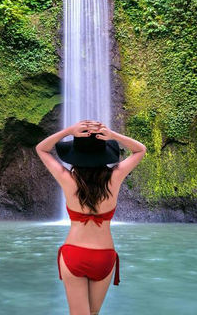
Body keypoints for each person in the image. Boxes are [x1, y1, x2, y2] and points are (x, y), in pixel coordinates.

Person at [35, 119, 147, 315]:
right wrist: (113, 135)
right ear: (104, 154)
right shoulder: (115, 177)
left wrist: (69, 131)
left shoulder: (67, 179)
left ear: (75, 156)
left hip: (74, 254)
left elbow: (41, 149)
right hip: (104, 257)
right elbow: (140, 150)